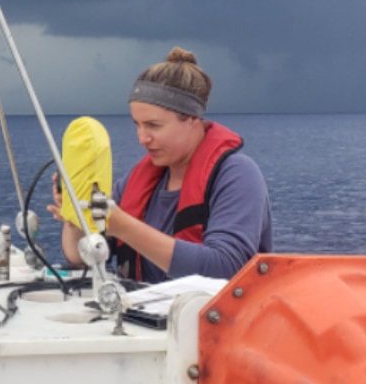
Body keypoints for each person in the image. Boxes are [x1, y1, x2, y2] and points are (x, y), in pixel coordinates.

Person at [51, 47, 272, 283]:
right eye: (137, 124)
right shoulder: (134, 183)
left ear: (192, 119)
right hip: (143, 317)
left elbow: (226, 267)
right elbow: (81, 258)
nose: (142, 137)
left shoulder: (237, 175)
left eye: (153, 126)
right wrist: (75, 220)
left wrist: (122, 226)